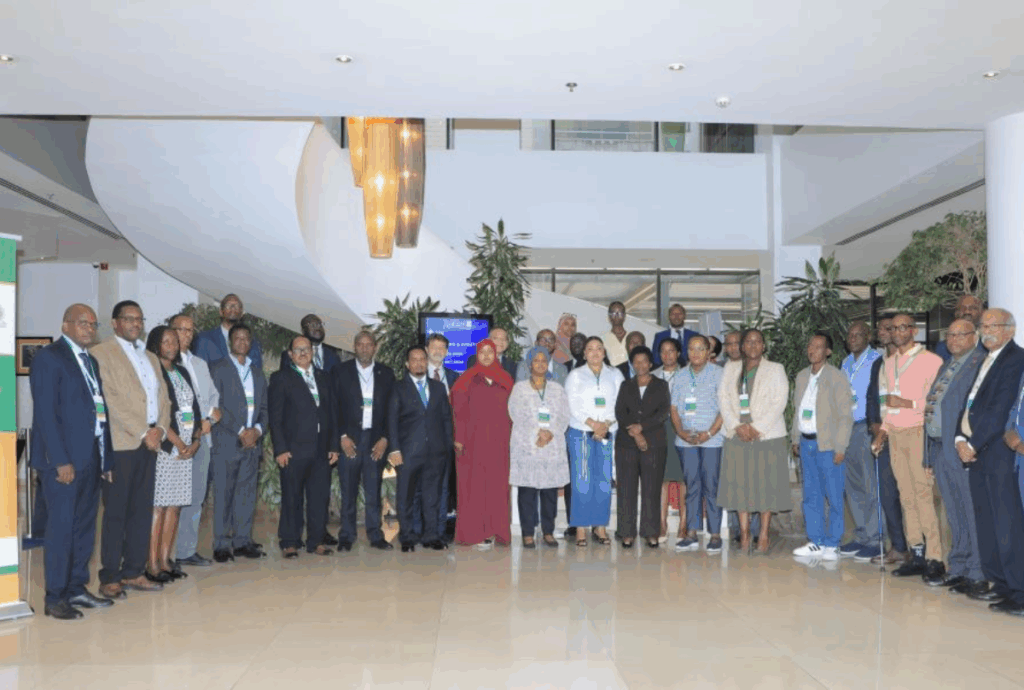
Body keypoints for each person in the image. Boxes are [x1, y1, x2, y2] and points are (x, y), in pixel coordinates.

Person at [30, 304, 115, 619]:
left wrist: (105, 459)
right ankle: (55, 597)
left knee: (84, 529)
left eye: (93, 324)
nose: (89, 329)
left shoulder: (90, 361)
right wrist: (59, 461)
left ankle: (76, 588)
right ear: (65, 326)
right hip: (63, 462)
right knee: (61, 530)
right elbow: (46, 415)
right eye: (82, 323)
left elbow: (98, 411)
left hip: (90, 456)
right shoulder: (49, 358)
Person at [90, 300, 171, 597]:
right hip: (122, 443)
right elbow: (109, 401)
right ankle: (110, 576)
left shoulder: (150, 357)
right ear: (115, 323)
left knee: (141, 510)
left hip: (151, 443)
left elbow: (164, 399)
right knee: (116, 512)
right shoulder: (101, 354)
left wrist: (160, 430)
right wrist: (143, 431)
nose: (135, 324)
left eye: (139, 319)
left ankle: (134, 571)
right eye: (128, 318)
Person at [958, 309, 1024, 614]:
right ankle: (999, 583)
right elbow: (969, 404)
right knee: (986, 520)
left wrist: (972, 443)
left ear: (1010, 330)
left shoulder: (1016, 359)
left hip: (998, 450)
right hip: (976, 451)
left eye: (993, 325)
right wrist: (959, 438)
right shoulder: (984, 359)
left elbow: (999, 410)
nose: (986, 330)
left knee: (1006, 522)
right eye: (983, 325)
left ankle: (1019, 589)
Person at [871, 313, 944, 580]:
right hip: (896, 435)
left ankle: (936, 558)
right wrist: (882, 432)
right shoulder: (888, 363)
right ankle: (917, 553)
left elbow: (938, 402)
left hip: (918, 432)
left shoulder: (931, 361)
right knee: (906, 496)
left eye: (903, 327)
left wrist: (908, 404)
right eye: (893, 328)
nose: (898, 332)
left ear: (914, 331)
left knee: (923, 495)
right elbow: (889, 406)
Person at [922, 320, 986, 590]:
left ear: (975, 336)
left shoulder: (980, 364)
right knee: (953, 510)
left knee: (971, 510)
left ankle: (978, 570)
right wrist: (928, 456)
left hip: (961, 448)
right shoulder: (947, 365)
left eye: (961, 334)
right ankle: (959, 565)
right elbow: (931, 408)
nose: (954, 339)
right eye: (950, 335)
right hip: (940, 448)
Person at [717, 329, 791, 554]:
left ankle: (764, 535)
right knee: (740, 486)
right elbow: (723, 398)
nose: (753, 345)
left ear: (764, 346)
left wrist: (756, 428)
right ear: (742, 346)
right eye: (748, 342)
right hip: (737, 435)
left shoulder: (775, 368)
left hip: (767, 436)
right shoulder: (730, 369)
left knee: (765, 486)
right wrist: (736, 425)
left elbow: (780, 401)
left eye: (757, 341)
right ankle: (745, 534)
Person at [269, 336, 340, 558]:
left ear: (312, 352)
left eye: (306, 349)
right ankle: (290, 541)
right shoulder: (281, 378)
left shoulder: (324, 377)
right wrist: (280, 448)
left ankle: (316, 541)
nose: (302, 353)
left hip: (321, 449)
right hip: (293, 449)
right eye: (298, 349)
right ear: (290, 354)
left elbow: (333, 413)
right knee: (292, 497)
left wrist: (334, 445)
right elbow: (275, 417)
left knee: (319, 497)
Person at [790, 333, 854, 561]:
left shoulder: (836, 377)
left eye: (818, 347)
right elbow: (798, 410)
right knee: (811, 495)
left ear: (828, 352)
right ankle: (816, 541)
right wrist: (795, 437)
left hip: (828, 444)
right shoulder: (801, 376)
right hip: (806, 443)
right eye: (810, 346)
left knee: (834, 495)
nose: (812, 350)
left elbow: (846, 415)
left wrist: (841, 446)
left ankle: (833, 543)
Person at [145, 325, 201, 583]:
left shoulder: (182, 371)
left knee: (175, 506)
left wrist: (196, 441)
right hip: (166, 449)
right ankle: (152, 563)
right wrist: (178, 443)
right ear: (155, 345)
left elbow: (195, 409)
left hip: (186, 449)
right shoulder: (152, 373)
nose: (172, 346)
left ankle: (167, 560)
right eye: (166, 341)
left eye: (174, 342)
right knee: (159, 507)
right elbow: (157, 414)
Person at [208, 323, 269, 562]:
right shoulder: (218, 368)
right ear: (230, 342)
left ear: (250, 343)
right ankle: (222, 544)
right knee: (224, 494)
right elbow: (216, 406)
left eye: (246, 338)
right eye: (238, 338)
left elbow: (265, 409)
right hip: (227, 441)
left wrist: (257, 431)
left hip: (252, 444)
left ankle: (242, 541)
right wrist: (242, 430)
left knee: (246, 494)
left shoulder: (257, 373)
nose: (242, 342)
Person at [388, 346, 453, 552]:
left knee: (432, 496)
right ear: (407, 364)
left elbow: (446, 419)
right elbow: (391, 421)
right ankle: (407, 537)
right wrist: (394, 449)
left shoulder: (438, 388)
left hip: (435, 453)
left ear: (427, 362)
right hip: (408, 453)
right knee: (406, 497)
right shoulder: (398, 388)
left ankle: (431, 536)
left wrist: (447, 447)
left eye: (422, 359)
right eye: (414, 360)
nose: (419, 363)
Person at [335, 330, 395, 550]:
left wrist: (385, 438)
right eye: (360, 344)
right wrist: (342, 436)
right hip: (349, 440)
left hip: (375, 441)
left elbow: (392, 410)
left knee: (373, 491)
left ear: (375, 347)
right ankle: (347, 536)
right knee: (348, 492)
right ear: (354, 347)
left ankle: (375, 535)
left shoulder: (386, 373)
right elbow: (333, 407)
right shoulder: (340, 372)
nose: (364, 348)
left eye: (369, 344)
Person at [452, 339, 514, 547]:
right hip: (473, 442)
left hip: (500, 441)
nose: (486, 356)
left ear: (495, 354)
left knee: (497, 487)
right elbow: (458, 412)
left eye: (490, 352)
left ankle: (497, 530)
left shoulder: (506, 379)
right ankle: (475, 531)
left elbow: (514, 411)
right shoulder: (466, 379)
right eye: (482, 352)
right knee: (475, 486)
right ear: (476, 355)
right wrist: (459, 438)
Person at [170, 313, 221, 568]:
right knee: (172, 500)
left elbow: (212, 399)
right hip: (176, 442)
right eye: (181, 329)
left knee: (196, 497)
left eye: (190, 330)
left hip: (203, 439)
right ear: (170, 331)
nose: (186, 334)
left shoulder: (199, 363)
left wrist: (209, 420)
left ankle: (186, 550)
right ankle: (165, 555)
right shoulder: (163, 363)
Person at [508, 346, 570, 549]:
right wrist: (538, 433)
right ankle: (527, 533)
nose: (540, 364)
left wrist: (550, 433)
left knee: (549, 492)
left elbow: (564, 416)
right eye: (536, 360)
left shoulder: (557, 389)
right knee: (527, 491)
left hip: (551, 446)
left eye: (544, 361)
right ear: (530, 364)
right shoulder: (519, 389)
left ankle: (548, 531)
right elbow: (516, 414)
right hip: (527, 446)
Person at [565, 336, 624, 547]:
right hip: (581, 431)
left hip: (608, 431)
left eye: (599, 348)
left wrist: (605, 425)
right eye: (590, 349)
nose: (595, 352)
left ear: (604, 352)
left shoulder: (615, 374)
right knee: (582, 479)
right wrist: (593, 424)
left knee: (603, 480)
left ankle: (600, 526)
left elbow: (621, 403)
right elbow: (571, 403)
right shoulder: (575, 375)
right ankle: (581, 527)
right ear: (584, 354)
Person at [670, 335, 725, 553]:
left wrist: (709, 433)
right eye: (692, 349)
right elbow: (674, 408)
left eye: (701, 348)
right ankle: (691, 533)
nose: (696, 353)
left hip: (712, 440)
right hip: (686, 441)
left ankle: (715, 534)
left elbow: (725, 409)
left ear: (709, 352)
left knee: (711, 486)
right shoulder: (680, 375)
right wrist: (681, 432)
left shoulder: (719, 374)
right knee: (692, 486)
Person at [615, 345, 671, 549]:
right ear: (632, 364)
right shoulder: (626, 385)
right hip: (626, 443)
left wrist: (642, 428)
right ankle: (626, 532)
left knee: (651, 488)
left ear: (650, 363)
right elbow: (620, 412)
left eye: (644, 361)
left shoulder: (661, 385)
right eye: (636, 362)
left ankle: (651, 532)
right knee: (626, 488)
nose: (640, 365)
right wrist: (635, 432)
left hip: (654, 443)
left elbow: (663, 412)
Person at [837, 321, 883, 562]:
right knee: (852, 485)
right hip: (846, 428)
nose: (853, 338)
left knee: (869, 484)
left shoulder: (877, 360)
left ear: (868, 336)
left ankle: (876, 539)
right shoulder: (845, 363)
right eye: (850, 335)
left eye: (858, 334)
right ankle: (862, 535)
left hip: (866, 427)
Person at [865, 317, 909, 565]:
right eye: (880, 328)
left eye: (888, 328)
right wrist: (874, 423)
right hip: (882, 436)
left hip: (906, 434)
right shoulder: (878, 363)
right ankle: (898, 547)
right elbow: (872, 397)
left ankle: (921, 550)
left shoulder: (910, 361)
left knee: (911, 496)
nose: (882, 332)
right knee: (888, 494)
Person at [424, 332, 459, 542]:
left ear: (446, 352)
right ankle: (424, 527)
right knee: (426, 486)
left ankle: (443, 527)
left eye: (442, 348)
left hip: (449, 440)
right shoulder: (418, 374)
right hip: (424, 441)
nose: (438, 351)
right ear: (426, 350)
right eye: (434, 347)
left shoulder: (454, 377)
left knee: (447, 485)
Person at [654, 337, 685, 544]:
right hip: (659, 430)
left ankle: (684, 524)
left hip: (682, 428)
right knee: (661, 478)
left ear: (678, 353)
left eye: (671, 350)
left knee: (683, 478)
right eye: (663, 351)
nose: (667, 355)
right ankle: (661, 523)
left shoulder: (687, 374)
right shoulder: (652, 375)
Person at [193, 293, 264, 370]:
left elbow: (257, 373)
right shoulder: (204, 339)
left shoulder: (253, 344)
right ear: (221, 311)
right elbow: (199, 371)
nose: (233, 308)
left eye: (237, 306)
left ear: (241, 313)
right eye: (228, 305)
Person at [277, 314, 343, 384]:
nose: (318, 328)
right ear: (303, 331)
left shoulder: (334, 356)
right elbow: (284, 383)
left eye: (320, 324)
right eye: (312, 325)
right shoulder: (290, 355)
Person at [935, 295, 985, 361]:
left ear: (982, 312)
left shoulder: (990, 344)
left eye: (972, 308)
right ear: (956, 313)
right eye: (963, 308)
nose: (967, 312)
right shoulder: (943, 348)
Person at [602, 302, 630, 367]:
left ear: (624, 316)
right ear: (609, 316)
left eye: (620, 313)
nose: (617, 315)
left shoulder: (632, 338)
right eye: (614, 313)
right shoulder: (602, 339)